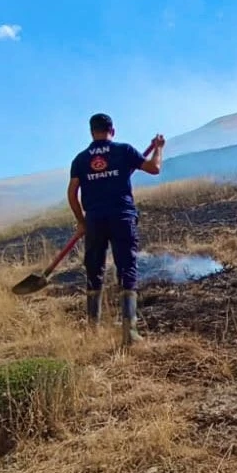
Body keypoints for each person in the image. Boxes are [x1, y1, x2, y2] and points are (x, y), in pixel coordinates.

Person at [67, 113, 165, 346]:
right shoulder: (124, 150)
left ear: (92, 132)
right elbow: (154, 168)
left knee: (94, 269)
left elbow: (72, 194)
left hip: (95, 220)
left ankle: (93, 330)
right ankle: (129, 332)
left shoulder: (80, 159)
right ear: (113, 129)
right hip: (122, 217)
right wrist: (159, 148)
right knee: (127, 268)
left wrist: (81, 221)